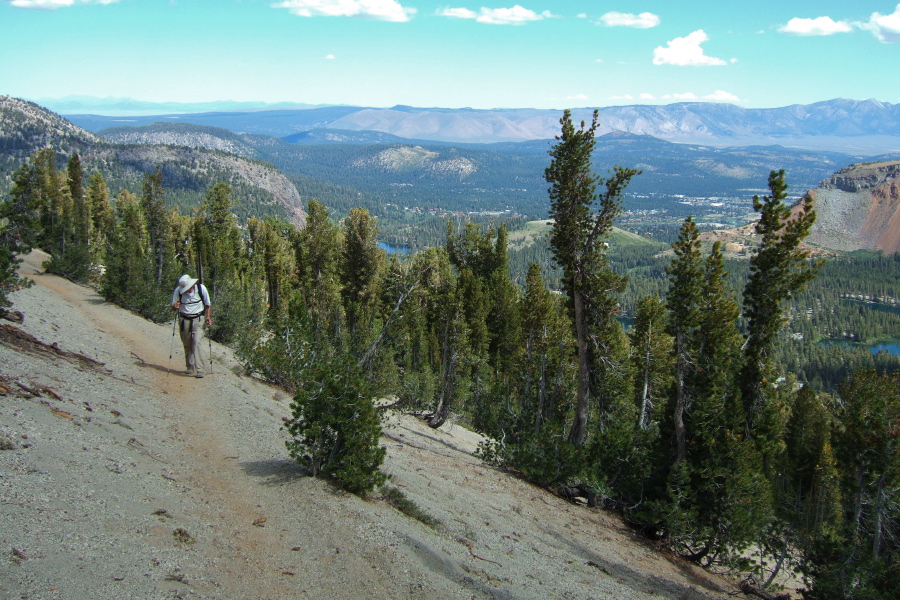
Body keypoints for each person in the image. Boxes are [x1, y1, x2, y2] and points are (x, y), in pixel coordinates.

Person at [171, 274, 212, 378]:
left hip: (198, 319)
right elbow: (173, 307)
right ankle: (190, 366)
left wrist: (208, 317)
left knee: (196, 342)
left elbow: (207, 305)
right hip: (184, 319)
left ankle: (200, 369)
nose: (186, 290)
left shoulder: (201, 289)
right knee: (187, 342)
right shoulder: (178, 291)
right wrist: (175, 307)